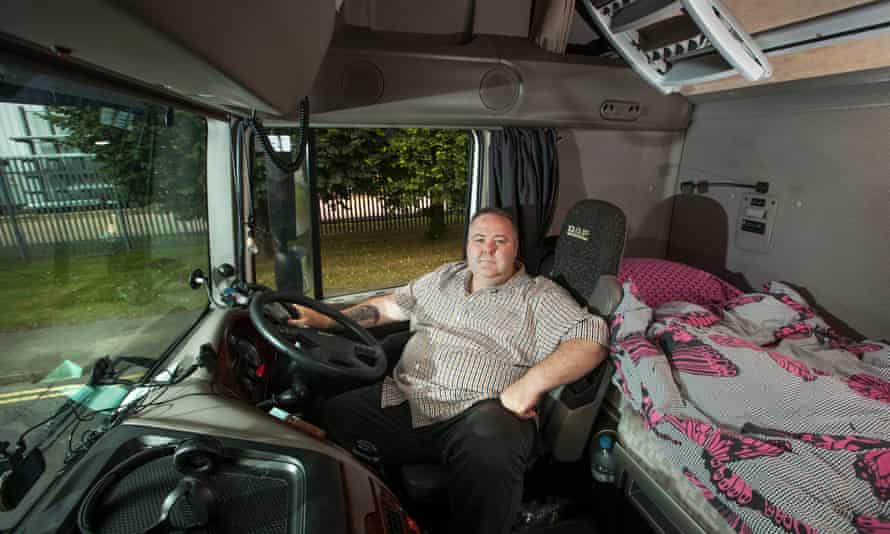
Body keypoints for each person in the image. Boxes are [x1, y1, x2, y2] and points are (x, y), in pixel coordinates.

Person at [291, 208, 608, 534]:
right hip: (405, 398)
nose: (488, 249)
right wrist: (324, 319)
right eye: (479, 240)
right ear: (468, 245)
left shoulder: (537, 295)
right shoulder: (445, 277)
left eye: (500, 241)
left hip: (480, 413)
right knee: (325, 420)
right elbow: (388, 306)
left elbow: (592, 338)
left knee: (492, 441)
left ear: (516, 248)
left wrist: (530, 385)